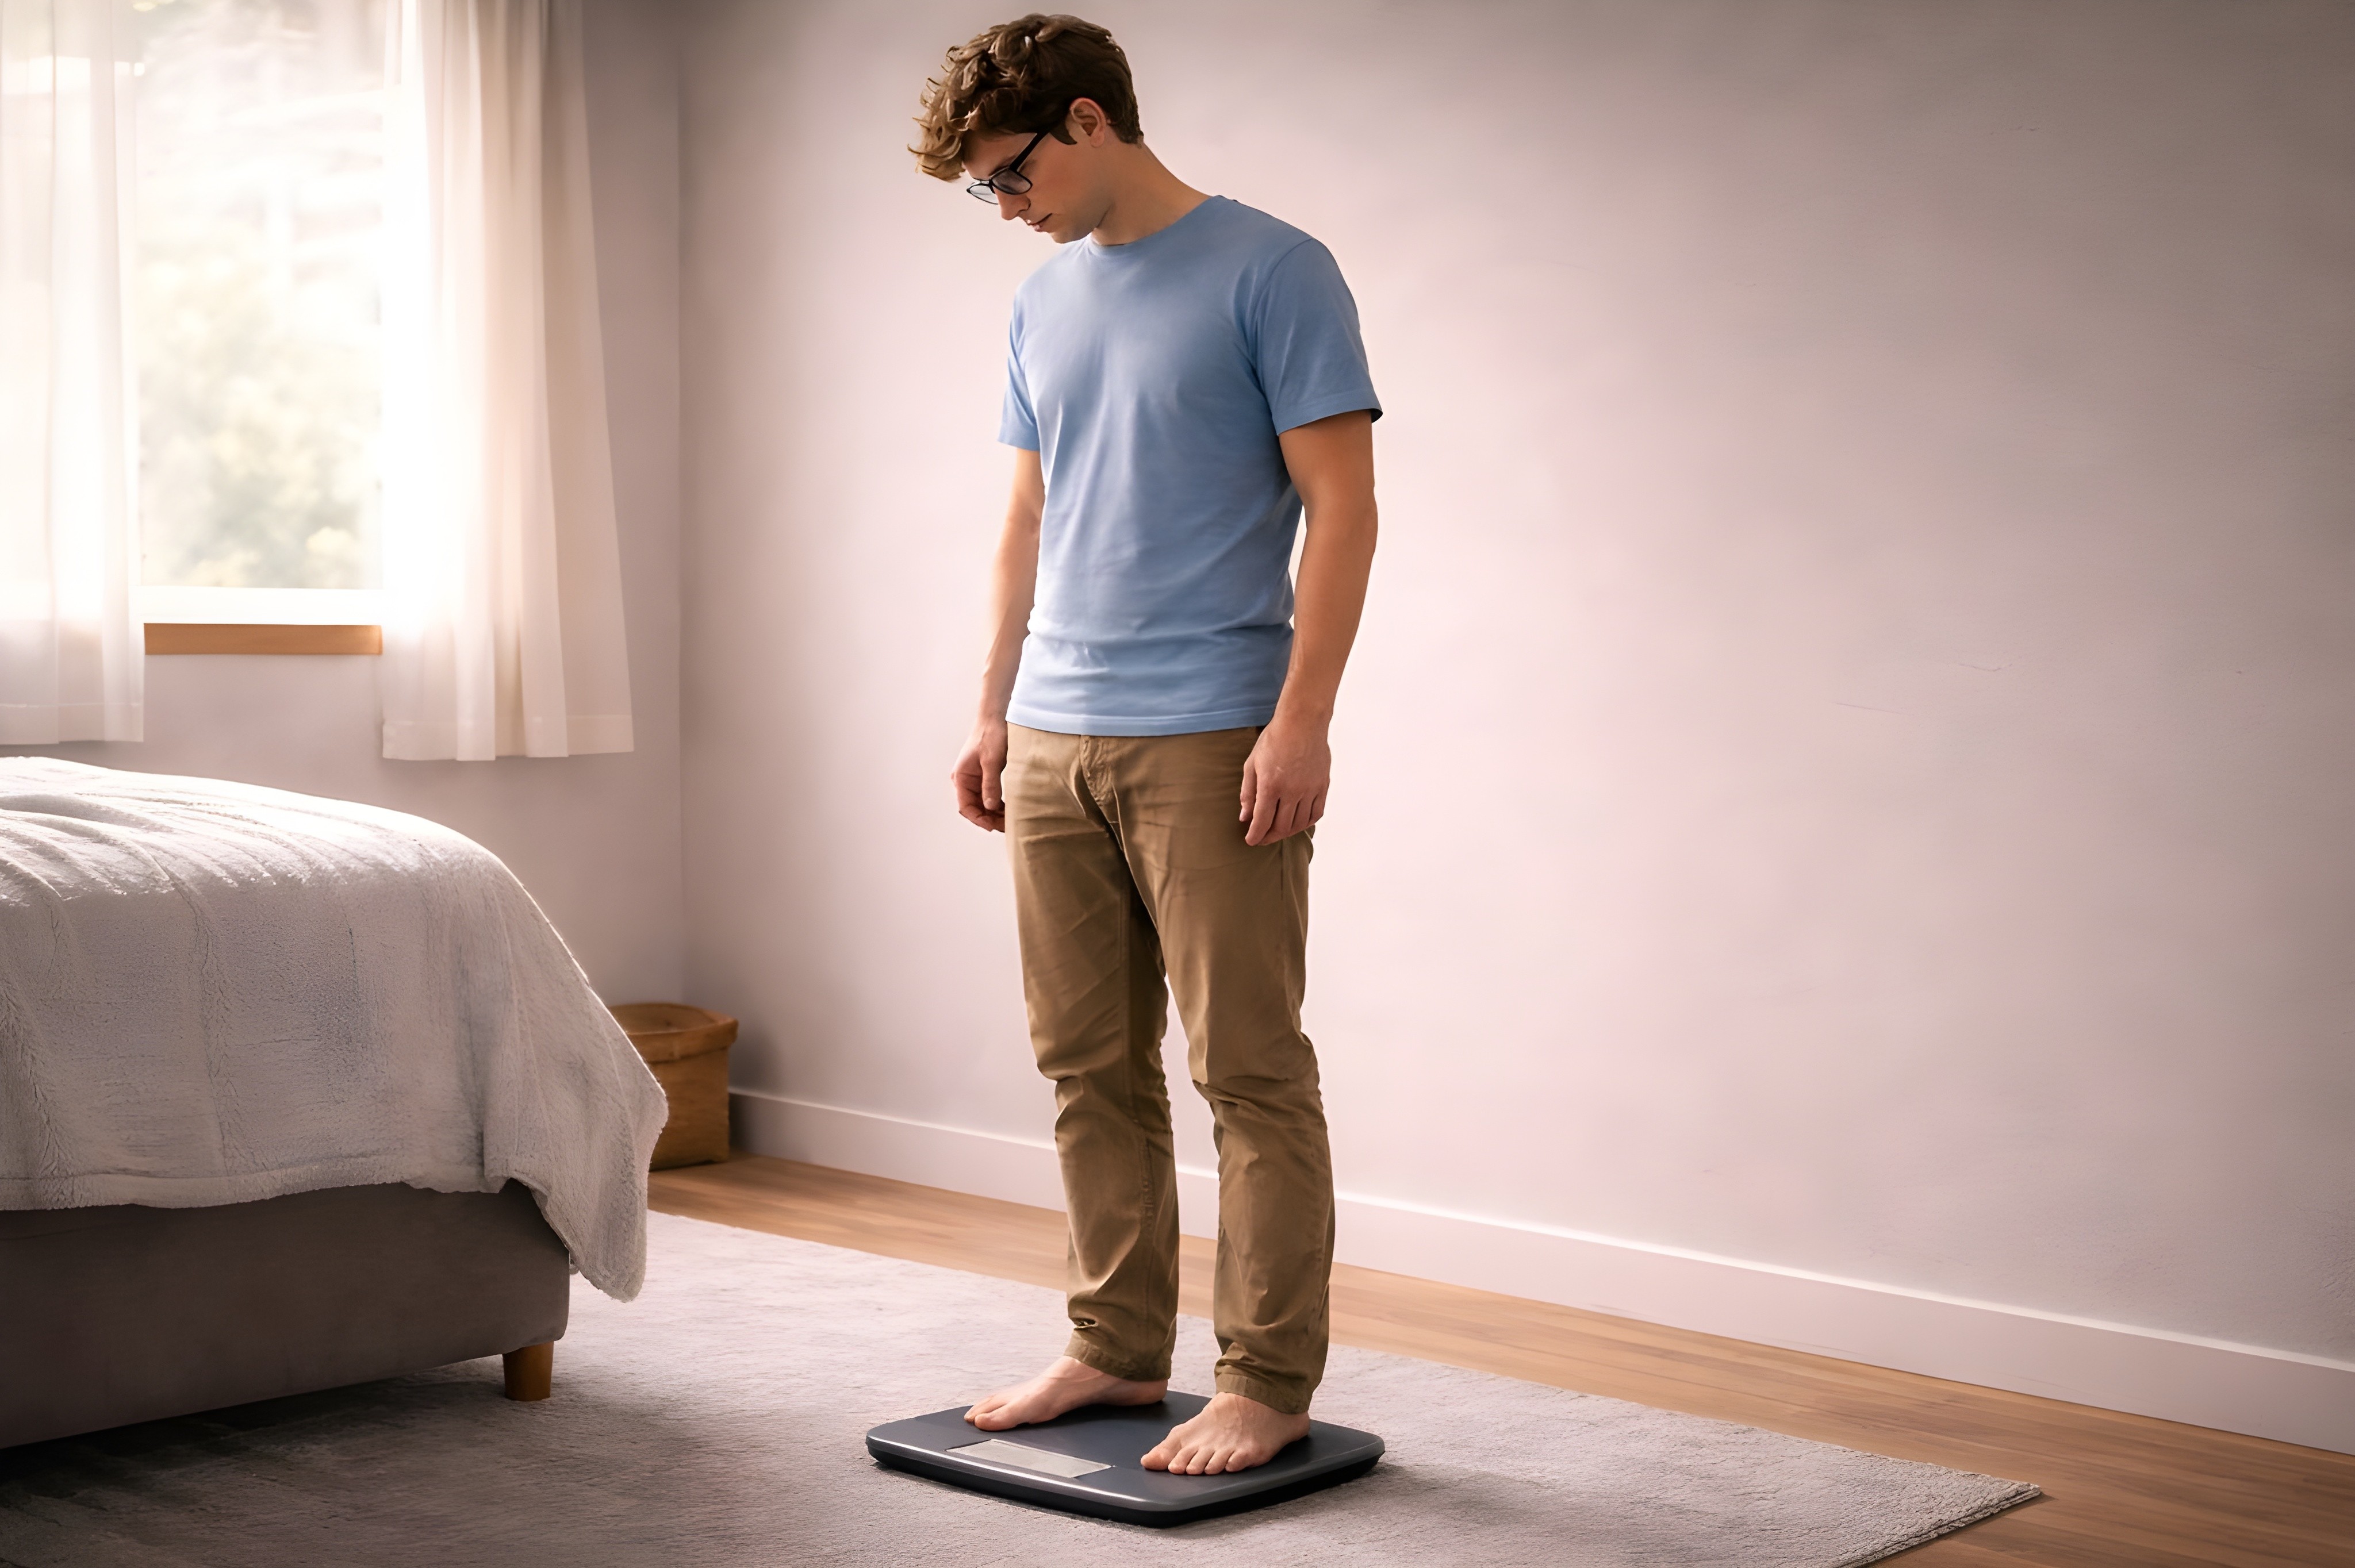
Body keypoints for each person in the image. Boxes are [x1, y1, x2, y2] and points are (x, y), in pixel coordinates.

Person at [913, 13, 1380, 1477]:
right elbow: (1025, 518)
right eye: (985, 190)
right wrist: (993, 704)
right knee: (1086, 1065)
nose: (1005, 208)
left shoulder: (1274, 270)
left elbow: (1344, 510)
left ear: (1087, 123)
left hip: (1212, 731)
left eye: (1007, 176)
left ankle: (1265, 1378)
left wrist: (1301, 717)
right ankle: (1115, 1349)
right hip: (1056, 731)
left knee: (1244, 1065)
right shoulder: (1043, 302)